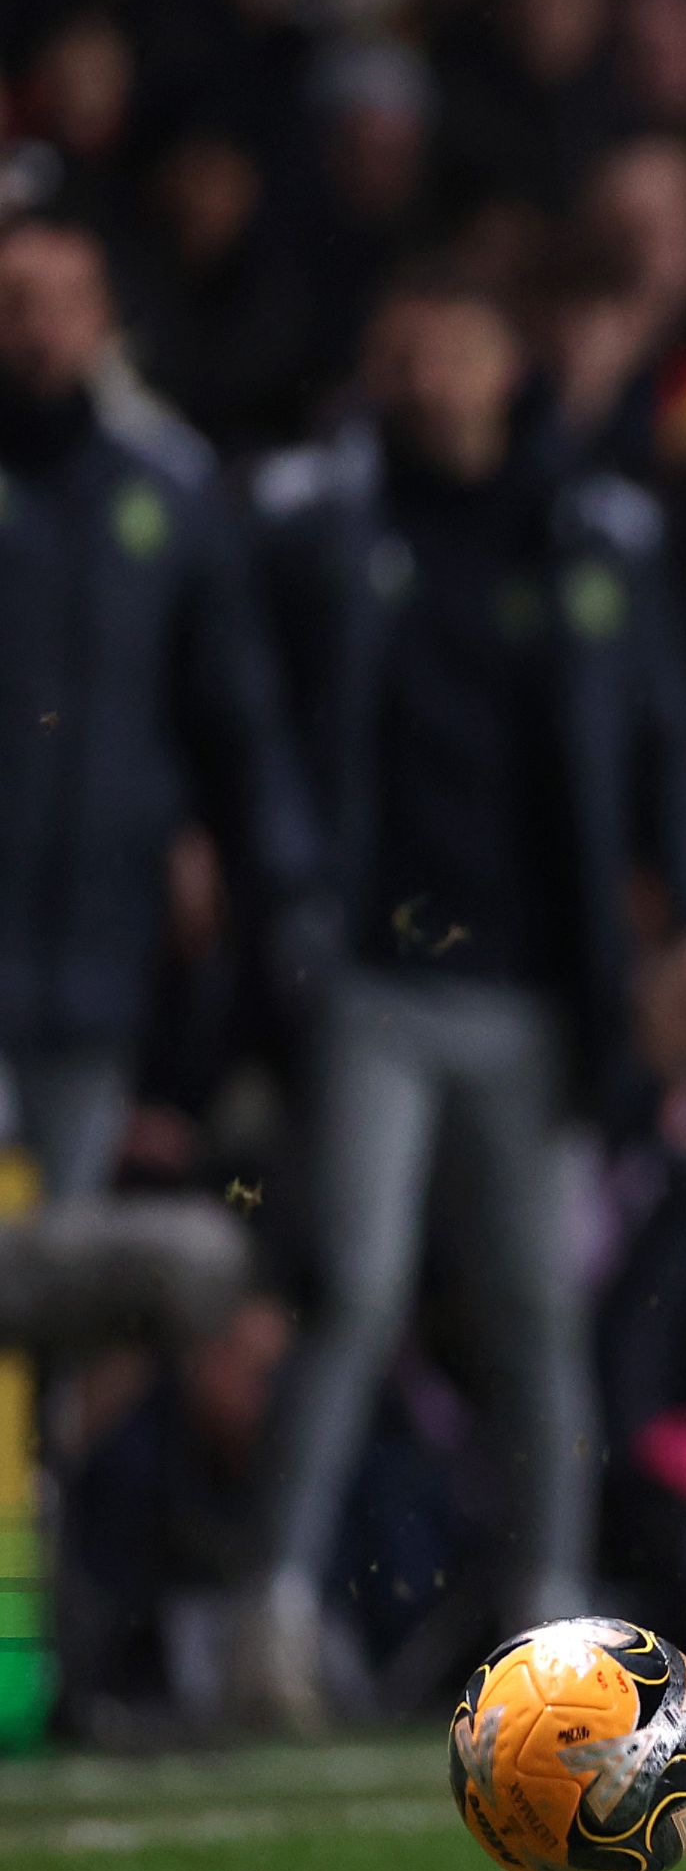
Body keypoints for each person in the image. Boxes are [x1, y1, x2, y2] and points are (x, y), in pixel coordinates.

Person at [237, 268, 686, 1730]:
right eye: (405, 344)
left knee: (536, 1310)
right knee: (353, 1285)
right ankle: (268, 1603)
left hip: (537, 989)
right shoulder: (325, 526)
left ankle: (551, 1626)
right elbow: (270, 735)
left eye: (455, 339)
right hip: (374, 977)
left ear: (507, 359)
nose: (430, 370)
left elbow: (662, 744)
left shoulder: (591, 531)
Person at [0, 216, 329, 1202]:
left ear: (104, 320)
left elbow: (233, 708)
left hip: (101, 935)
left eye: (63, 303)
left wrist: (271, 869)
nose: (38, 328)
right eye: (15, 302)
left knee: (62, 1238)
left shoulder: (169, 489)